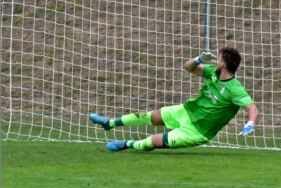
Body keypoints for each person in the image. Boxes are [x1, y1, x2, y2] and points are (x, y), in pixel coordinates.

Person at [89, 47, 258, 152]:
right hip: (186, 111)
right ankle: (109, 123)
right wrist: (198, 59)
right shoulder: (212, 72)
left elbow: (251, 107)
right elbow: (189, 68)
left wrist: (250, 122)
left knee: (152, 142)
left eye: (219, 58)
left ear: (224, 64)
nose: (216, 59)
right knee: (149, 116)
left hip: (197, 131)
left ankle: (126, 144)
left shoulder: (235, 88)